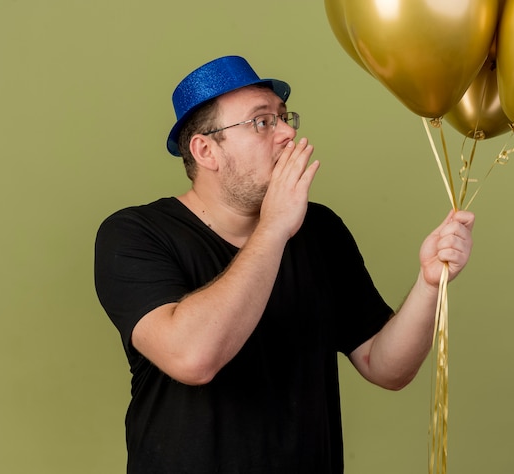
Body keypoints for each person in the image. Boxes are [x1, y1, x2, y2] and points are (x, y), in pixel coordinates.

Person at [94, 55, 475, 474]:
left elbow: (386, 367)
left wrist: (428, 283)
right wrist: (274, 228)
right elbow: (192, 358)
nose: (289, 133)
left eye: (284, 116)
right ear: (206, 150)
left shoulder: (320, 230)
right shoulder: (134, 234)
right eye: (262, 122)